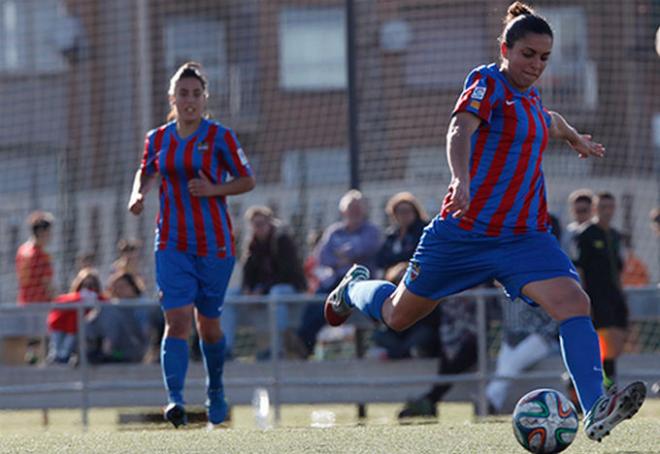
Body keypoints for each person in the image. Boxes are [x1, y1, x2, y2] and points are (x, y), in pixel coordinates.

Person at [323, 2, 645, 442]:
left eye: (544, 58)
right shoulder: (485, 82)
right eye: (528, 54)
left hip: (525, 238)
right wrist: (461, 177)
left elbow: (546, 122)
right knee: (398, 316)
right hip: (465, 233)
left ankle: (594, 407)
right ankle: (352, 289)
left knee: (575, 303)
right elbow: (459, 130)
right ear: (505, 49)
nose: (536, 65)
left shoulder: (531, 99)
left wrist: (573, 137)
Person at [127, 61, 255, 428]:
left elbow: (247, 180)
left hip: (214, 244)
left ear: (204, 98)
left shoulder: (221, 137)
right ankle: (175, 400)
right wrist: (138, 194)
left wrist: (215, 189)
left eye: (196, 94)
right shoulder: (159, 138)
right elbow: (147, 169)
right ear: (172, 98)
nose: (190, 100)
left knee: (208, 325)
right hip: (171, 241)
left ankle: (215, 388)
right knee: (177, 318)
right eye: (183, 94)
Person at [296, 189, 381, 356]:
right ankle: (303, 343)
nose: (354, 211)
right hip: (333, 281)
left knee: (333, 296)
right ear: (343, 210)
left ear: (364, 209)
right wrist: (347, 256)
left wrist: (344, 254)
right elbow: (322, 257)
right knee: (317, 301)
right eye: (351, 207)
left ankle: (303, 343)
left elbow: (367, 248)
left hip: (359, 281)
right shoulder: (334, 231)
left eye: (358, 207)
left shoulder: (371, 230)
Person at [222, 205, 307, 359]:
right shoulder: (252, 244)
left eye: (261, 223)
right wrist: (248, 289)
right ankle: (225, 349)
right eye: (254, 224)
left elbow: (287, 274)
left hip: (287, 289)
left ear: (270, 223)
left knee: (276, 294)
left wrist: (262, 290)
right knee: (228, 297)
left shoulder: (282, 240)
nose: (258, 228)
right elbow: (248, 274)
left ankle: (276, 349)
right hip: (260, 292)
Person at [575, 192, 630, 390]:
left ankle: (609, 379)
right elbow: (580, 267)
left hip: (615, 295)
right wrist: (583, 298)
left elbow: (619, 267)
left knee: (619, 338)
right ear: (595, 208)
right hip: (596, 296)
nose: (607, 211)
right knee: (604, 339)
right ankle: (606, 383)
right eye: (603, 207)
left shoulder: (614, 235)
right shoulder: (586, 234)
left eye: (611, 206)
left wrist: (621, 292)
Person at [15, 211, 55, 364]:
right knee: (43, 344)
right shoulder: (41, 255)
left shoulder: (22, 251)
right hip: (41, 303)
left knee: (31, 342)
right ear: (41, 232)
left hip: (25, 301)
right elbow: (47, 283)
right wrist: (57, 300)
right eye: (48, 232)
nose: (50, 236)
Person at [85, 271, 148, 364]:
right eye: (115, 287)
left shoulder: (144, 306)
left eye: (122, 286)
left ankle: (105, 351)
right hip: (114, 352)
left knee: (111, 312)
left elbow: (145, 333)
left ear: (133, 287)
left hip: (131, 352)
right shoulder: (110, 306)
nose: (118, 290)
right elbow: (89, 324)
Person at [46, 268, 104, 365]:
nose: (88, 289)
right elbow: (57, 307)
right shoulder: (71, 297)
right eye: (85, 285)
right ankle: (58, 357)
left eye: (91, 285)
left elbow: (105, 303)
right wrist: (79, 297)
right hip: (62, 329)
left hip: (83, 334)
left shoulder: (98, 299)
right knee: (59, 348)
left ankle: (63, 357)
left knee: (71, 339)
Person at [377, 192, 429, 271]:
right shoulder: (391, 235)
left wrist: (403, 266)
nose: (404, 215)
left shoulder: (423, 231)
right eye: (400, 212)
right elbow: (381, 259)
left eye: (407, 211)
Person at [562, 189, 594, 260]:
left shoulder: (597, 230)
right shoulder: (569, 230)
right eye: (578, 211)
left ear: (592, 210)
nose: (581, 214)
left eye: (584, 210)